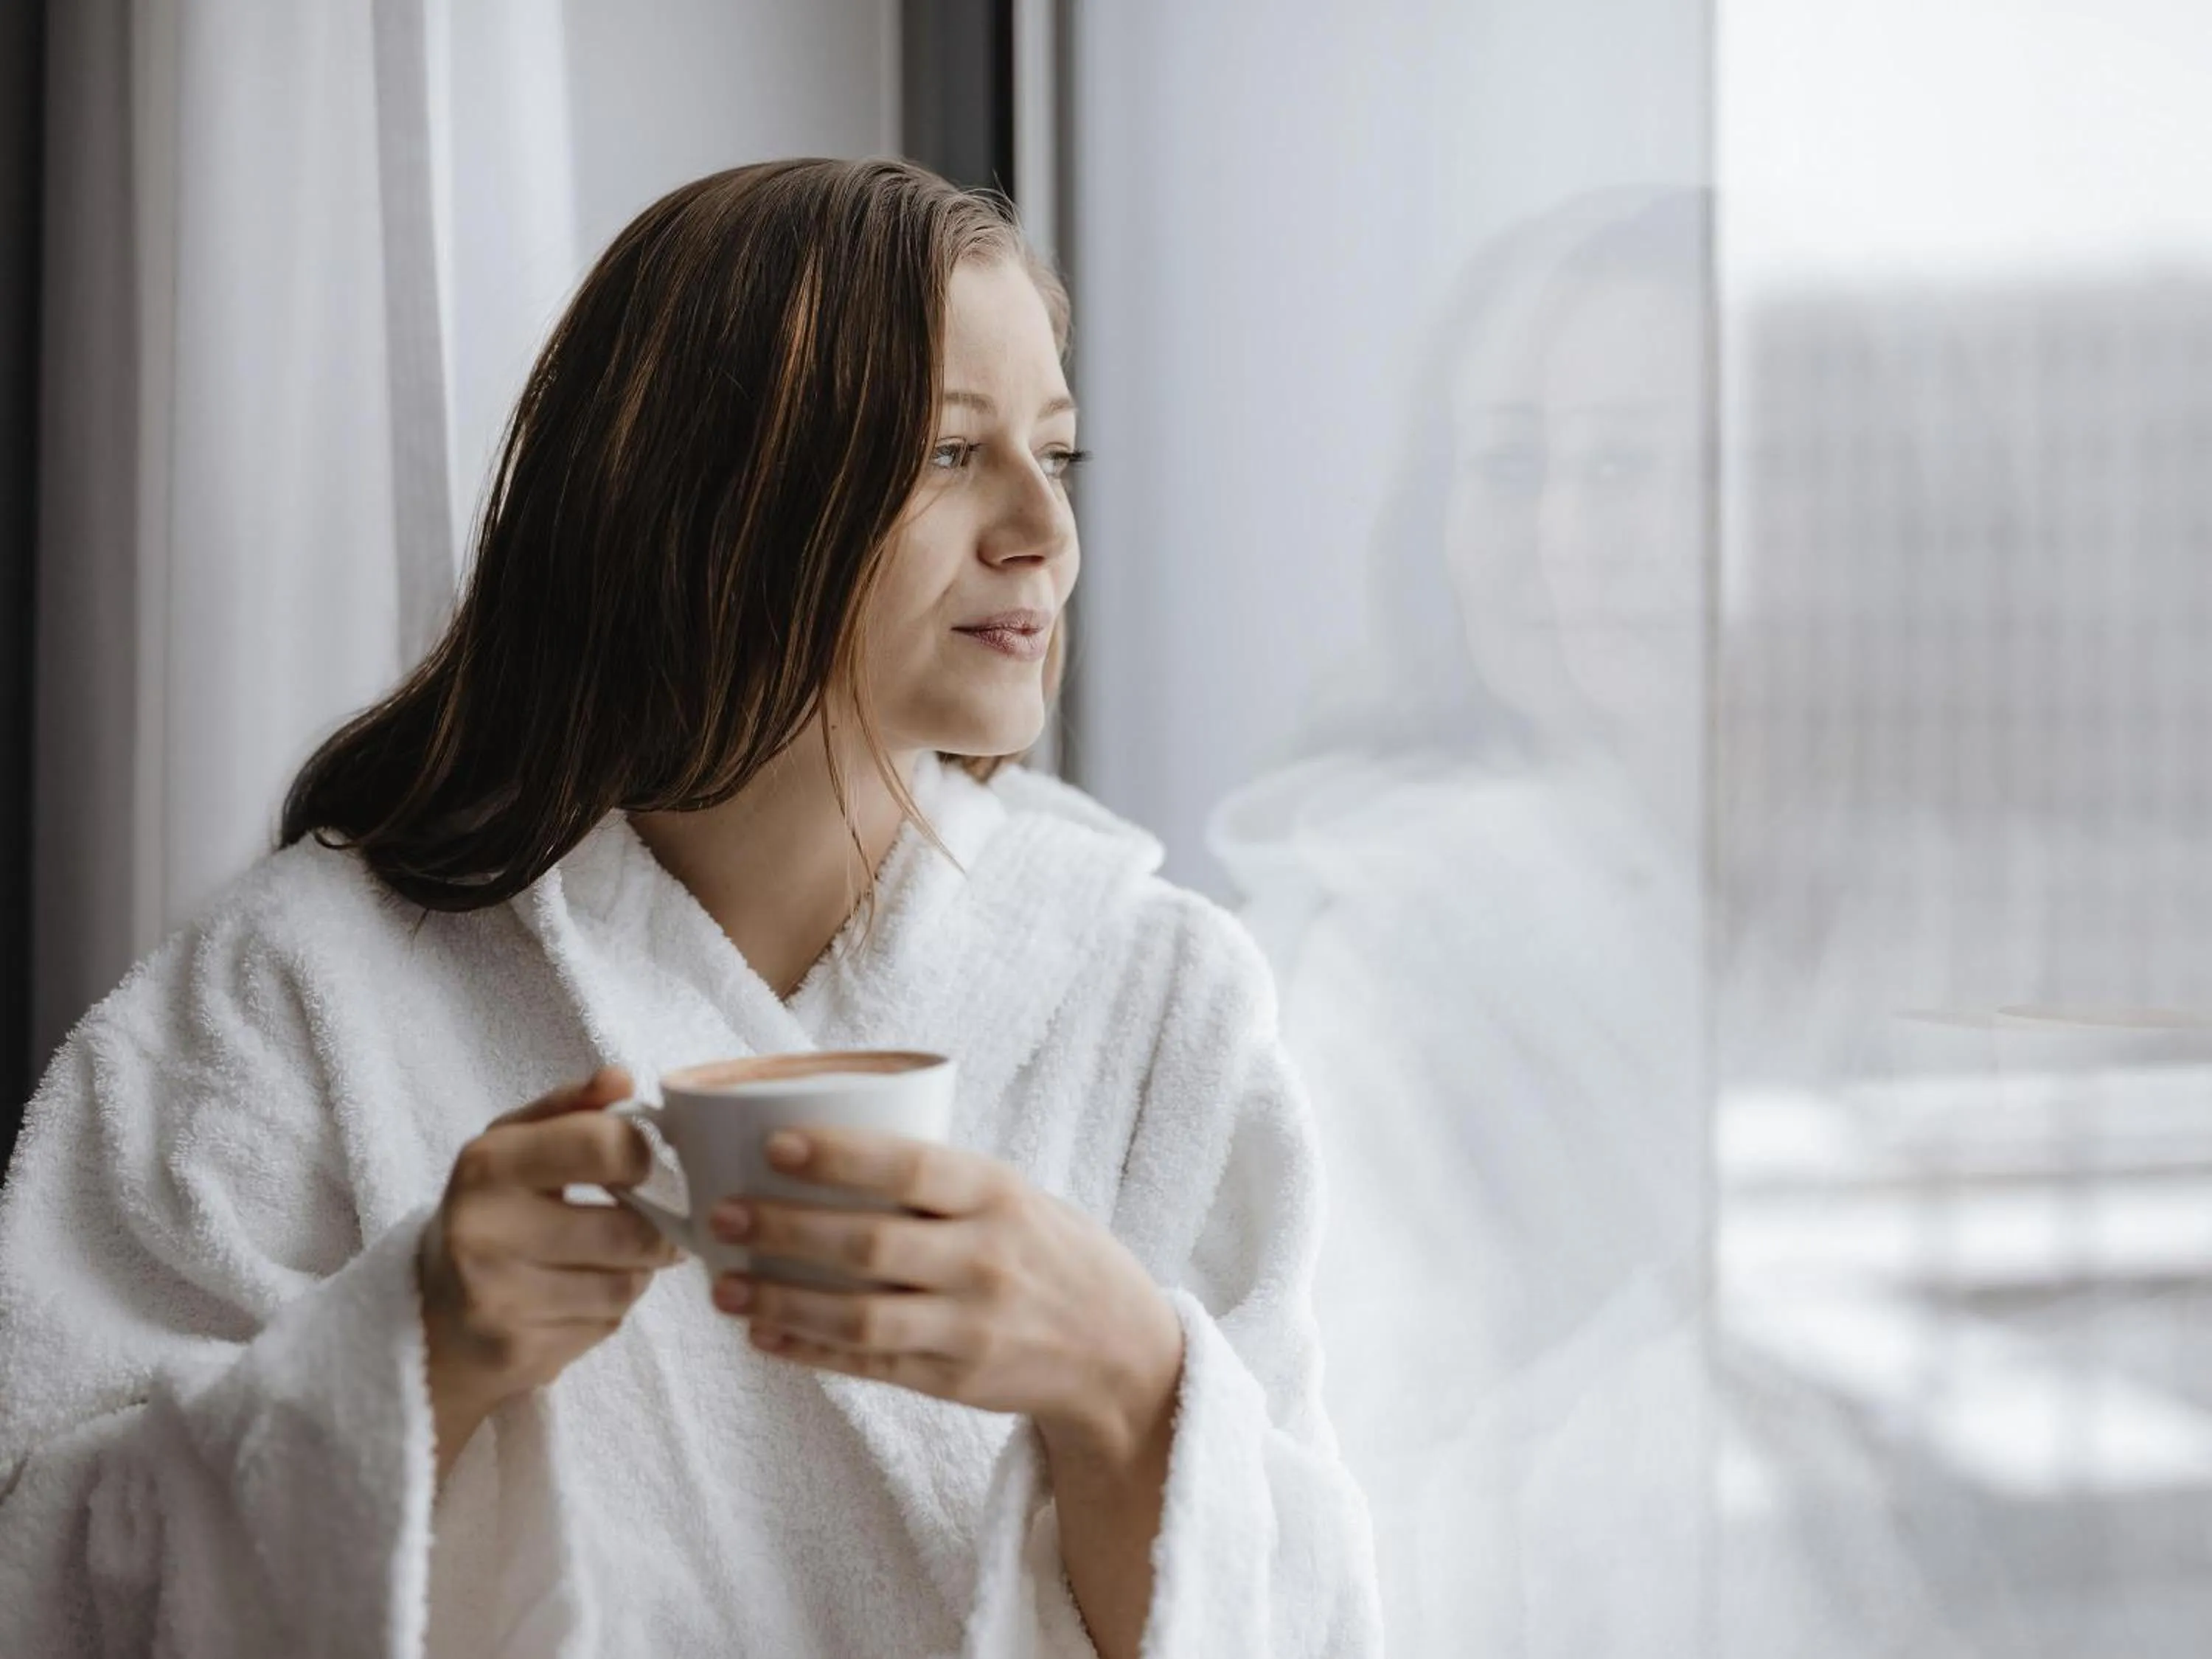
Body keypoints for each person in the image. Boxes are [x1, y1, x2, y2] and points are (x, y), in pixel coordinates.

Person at [0, 158, 1382, 1659]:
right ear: (703, 492)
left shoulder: (1157, 993)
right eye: (946, 453)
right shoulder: (298, 992)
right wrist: (416, 1347)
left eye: (1060, 452)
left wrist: (1128, 1386)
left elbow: (1317, 1620)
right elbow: (47, 1571)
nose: (1041, 527)